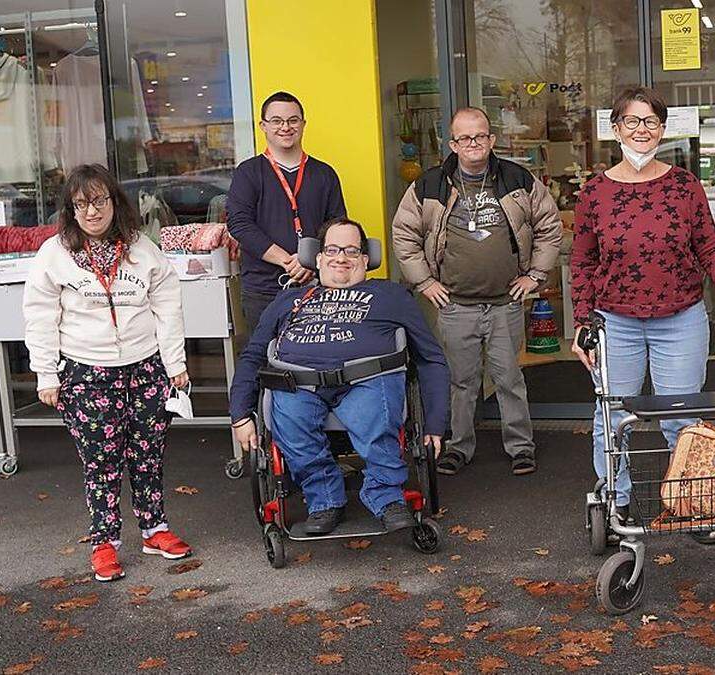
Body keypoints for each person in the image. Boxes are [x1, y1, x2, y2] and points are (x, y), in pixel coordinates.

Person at [570, 86, 715, 544]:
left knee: (683, 416)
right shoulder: (595, 191)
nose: (641, 130)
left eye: (650, 121)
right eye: (631, 121)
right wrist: (581, 322)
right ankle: (618, 501)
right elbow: (583, 262)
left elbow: (710, 245)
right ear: (615, 129)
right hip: (614, 320)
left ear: (662, 128)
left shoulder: (683, 185)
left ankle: (690, 504)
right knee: (612, 417)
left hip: (681, 317)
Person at [23, 164, 192, 582]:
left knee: (147, 453)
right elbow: (40, 315)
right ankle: (105, 542)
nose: (92, 212)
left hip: (145, 366)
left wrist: (175, 364)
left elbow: (168, 307)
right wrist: (46, 374)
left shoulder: (141, 247)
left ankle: (154, 530)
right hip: (85, 371)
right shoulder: (54, 253)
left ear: (114, 203)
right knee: (101, 461)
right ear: (71, 210)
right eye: (81, 204)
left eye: (99, 201)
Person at [229, 218, 449, 535]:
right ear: (317, 259)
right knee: (289, 417)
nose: (341, 257)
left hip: (370, 382)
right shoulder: (287, 300)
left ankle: (387, 497)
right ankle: (324, 500)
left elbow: (430, 357)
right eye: (332, 249)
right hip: (298, 386)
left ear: (365, 259)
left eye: (351, 250)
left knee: (378, 412)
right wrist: (240, 414)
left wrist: (436, 424)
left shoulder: (391, 296)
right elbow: (252, 356)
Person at [392, 107, 561, 477]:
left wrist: (535, 275)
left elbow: (549, 226)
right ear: (453, 143)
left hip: (506, 303)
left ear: (491, 139)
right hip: (455, 304)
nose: (474, 143)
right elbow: (405, 235)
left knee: (509, 380)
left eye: (480, 136)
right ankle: (458, 447)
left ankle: (521, 447)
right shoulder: (429, 185)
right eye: (465, 138)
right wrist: (424, 282)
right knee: (461, 382)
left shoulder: (518, 179)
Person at [227, 91, 347, 337]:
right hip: (263, 290)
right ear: (263, 126)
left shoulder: (324, 174)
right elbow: (239, 224)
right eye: (277, 121)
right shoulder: (248, 172)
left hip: (318, 284)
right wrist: (288, 261)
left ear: (303, 124)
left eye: (293, 120)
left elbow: (338, 227)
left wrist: (312, 262)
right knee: (267, 364)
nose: (286, 127)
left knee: (317, 360)